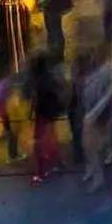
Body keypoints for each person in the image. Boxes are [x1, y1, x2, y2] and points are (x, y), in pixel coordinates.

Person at [26, 53, 64, 185]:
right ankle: (57, 162)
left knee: (39, 142)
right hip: (49, 113)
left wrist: (32, 113)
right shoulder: (49, 77)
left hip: (42, 114)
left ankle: (41, 172)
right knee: (49, 138)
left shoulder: (38, 80)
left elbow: (35, 98)